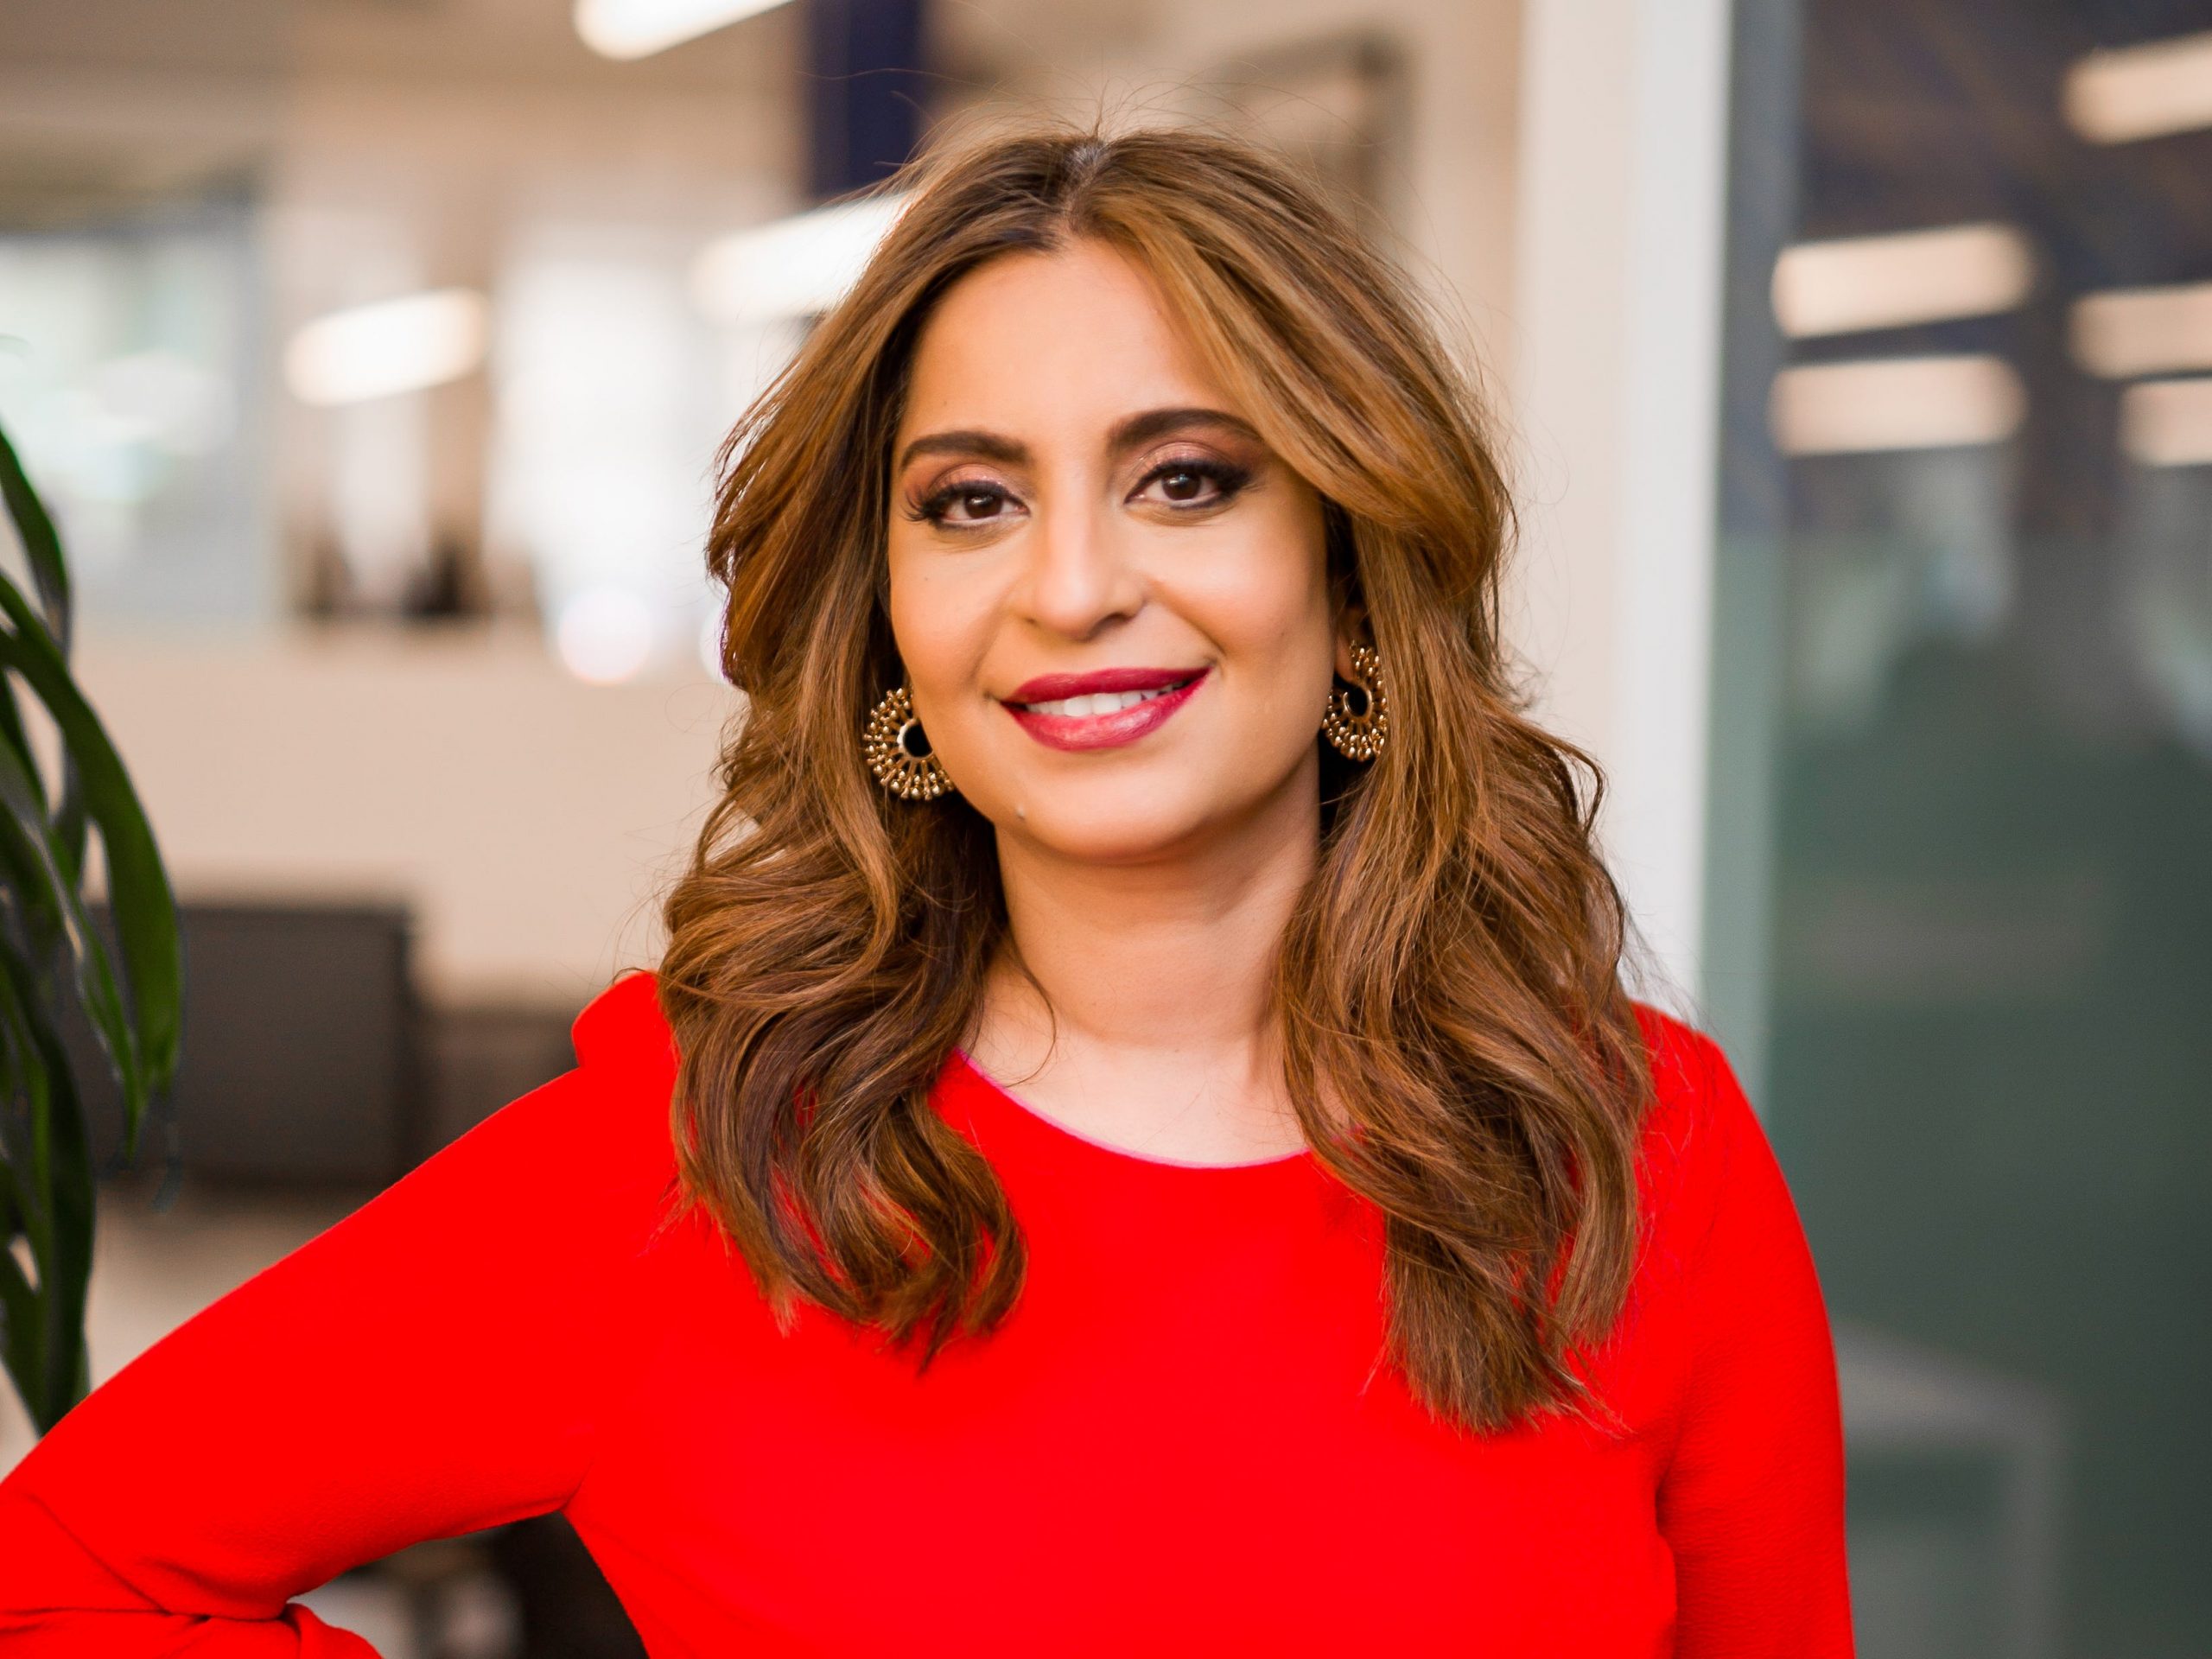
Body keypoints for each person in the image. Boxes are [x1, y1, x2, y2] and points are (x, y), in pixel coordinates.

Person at [0, 119, 1852, 1656]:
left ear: (1355, 575)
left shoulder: (1630, 1148)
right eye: (970, 502)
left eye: (1185, 480)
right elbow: (66, 1574)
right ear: (891, 634)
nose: (1067, 586)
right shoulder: (687, 1166)